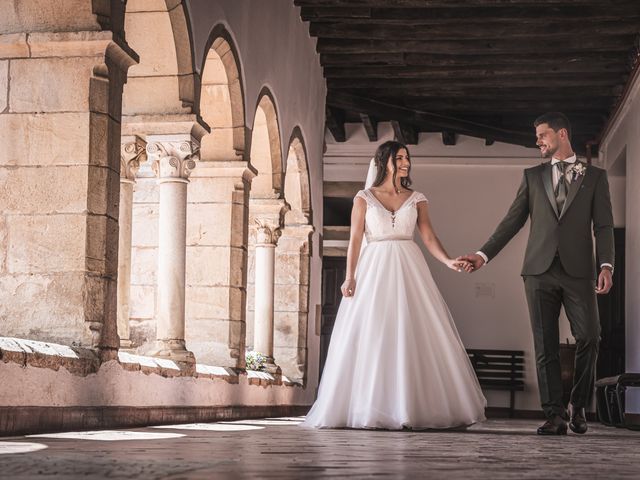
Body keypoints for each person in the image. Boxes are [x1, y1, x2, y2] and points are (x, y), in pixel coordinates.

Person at [302, 140, 486, 430]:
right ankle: (368, 406)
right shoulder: (363, 198)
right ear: (384, 160)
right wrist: (349, 276)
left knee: (409, 331)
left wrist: (448, 260)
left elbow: (428, 236)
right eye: (399, 157)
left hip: (408, 267)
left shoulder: (417, 198)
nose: (406, 162)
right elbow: (354, 240)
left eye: (407, 157)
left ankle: (410, 407)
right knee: (374, 332)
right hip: (373, 267)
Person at [461, 112, 614, 435]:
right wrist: (482, 255)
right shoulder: (532, 177)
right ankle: (555, 415)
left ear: (561, 133)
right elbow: (512, 221)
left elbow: (602, 225)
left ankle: (579, 405)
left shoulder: (595, 177)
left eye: (542, 135)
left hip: (578, 271)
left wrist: (606, 265)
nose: (538, 142)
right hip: (538, 271)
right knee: (544, 346)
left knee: (590, 335)